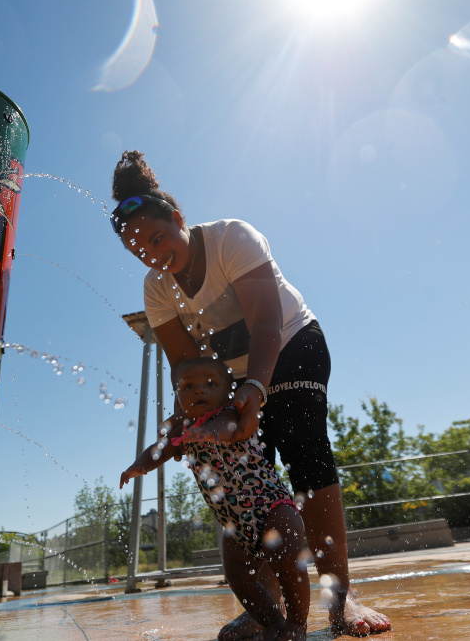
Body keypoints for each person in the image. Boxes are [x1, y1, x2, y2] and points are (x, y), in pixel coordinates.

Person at [108, 150, 392, 638]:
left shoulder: (229, 238)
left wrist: (256, 392)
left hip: (291, 340)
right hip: (233, 374)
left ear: (178, 219)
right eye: (141, 252)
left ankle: (341, 598)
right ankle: (267, 601)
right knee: (246, 478)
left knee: (303, 453)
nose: (154, 256)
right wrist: (186, 430)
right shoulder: (156, 290)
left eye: (158, 239)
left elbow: (265, 324)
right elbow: (190, 372)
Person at [121, 357, 309, 641]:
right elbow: (160, 449)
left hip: (272, 508)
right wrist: (140, 465)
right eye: (188, 386)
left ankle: (297, 624)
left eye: (210, 384)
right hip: (233, 524)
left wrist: (209, 433)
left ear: (227, 392)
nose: (199, 391)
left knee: (288, 564)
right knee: (237, 577)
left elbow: (228, 429)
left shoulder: (230, 414)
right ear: (177, 397)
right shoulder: (183, 432)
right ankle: (272, 622)